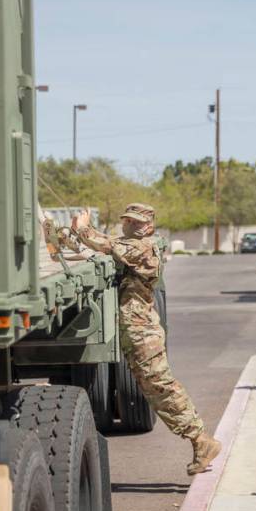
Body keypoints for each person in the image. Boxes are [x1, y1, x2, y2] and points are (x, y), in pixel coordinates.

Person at [72, 203, 221, 476]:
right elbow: (107, 242)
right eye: (129, 220)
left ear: (149, 227)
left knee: (161, 387)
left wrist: (83, 227)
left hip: (143, 333)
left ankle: (201, 440)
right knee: (156, 388)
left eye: (138, 222)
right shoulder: (129, 243)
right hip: (137, 331)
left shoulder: (144, 248)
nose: (132, 225)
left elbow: (105, 244)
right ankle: (199, 439)